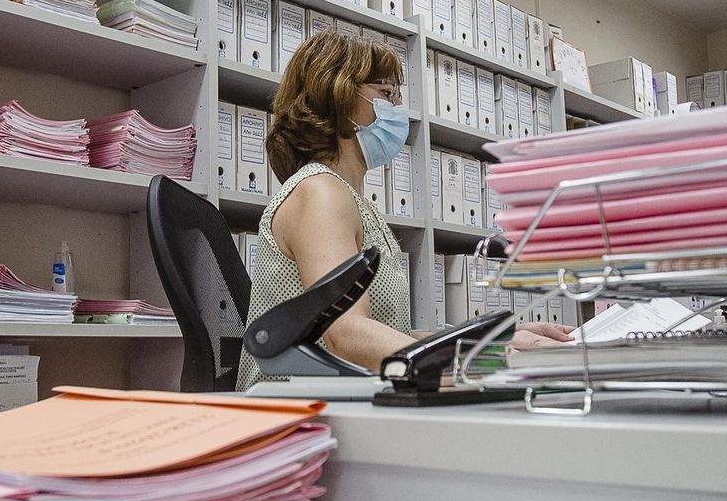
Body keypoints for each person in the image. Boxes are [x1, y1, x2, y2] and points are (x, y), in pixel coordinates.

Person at [235, 31, 573, 390]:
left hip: (336, 394)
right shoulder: (320, 192)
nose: (397, 109)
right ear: (339, 95)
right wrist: (483, 363)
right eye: (385, 94)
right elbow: (347, 336)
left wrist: (496, 341)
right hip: (293, 409)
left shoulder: (354, 200)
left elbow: (385, 335)